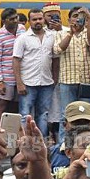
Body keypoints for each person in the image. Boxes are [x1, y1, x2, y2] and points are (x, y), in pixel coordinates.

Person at [12, 8, 57, 138]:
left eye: (40, 19)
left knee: (43, 114)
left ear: (44, 19)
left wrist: (55, 78)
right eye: (34, 19)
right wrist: (19, 83)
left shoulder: (51, 37)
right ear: (29, 21)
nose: (38, 21)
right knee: (25, 114)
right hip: (28, 83)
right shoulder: (23, 38)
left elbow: (55, 59)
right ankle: (25, 144)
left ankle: (41, 145)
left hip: (47, 82)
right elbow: (16, 61)